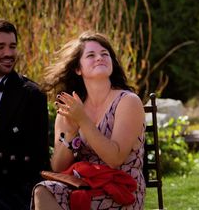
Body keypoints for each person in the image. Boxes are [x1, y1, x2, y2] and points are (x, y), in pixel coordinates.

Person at [32, 31, 145, 210]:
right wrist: (70, 133)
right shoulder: (71, 107)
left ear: (112, 63)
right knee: (43, 191)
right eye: (91, 55)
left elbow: (115, 159)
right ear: (78, 69)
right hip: (82, 186)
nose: (99, 58)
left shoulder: (128, 101)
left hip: (121, 190)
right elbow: (58, 167)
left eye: (105, 54)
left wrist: (83, 120)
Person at [0, 18, 50, 210]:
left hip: (12, 194)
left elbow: (37, 160)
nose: (8, 53)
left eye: (12, 46)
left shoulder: (32, 95)